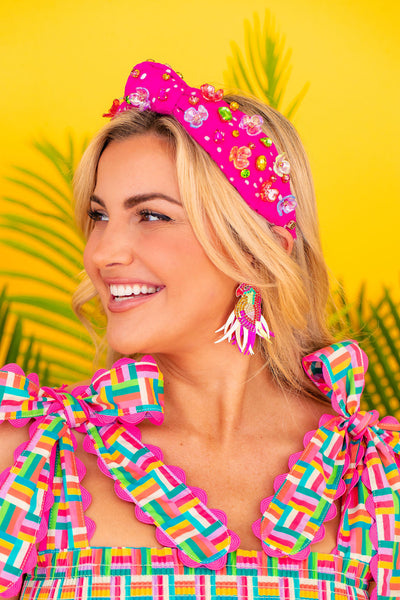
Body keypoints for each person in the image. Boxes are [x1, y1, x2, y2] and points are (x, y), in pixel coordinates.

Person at [0, 60, 398, 600]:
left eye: (152, 216)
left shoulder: (374, 476)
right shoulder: (31, 458)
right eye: (99, 216)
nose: (103, 253)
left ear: (256, 252)